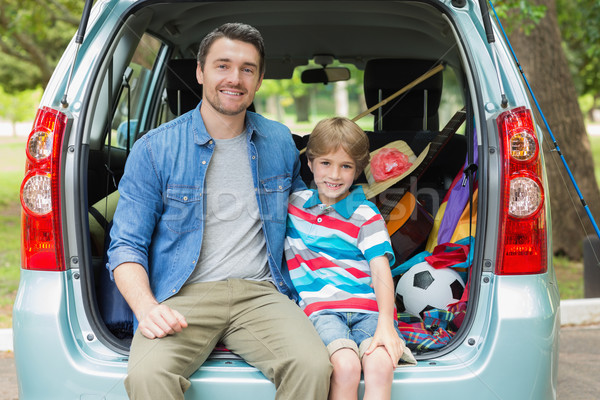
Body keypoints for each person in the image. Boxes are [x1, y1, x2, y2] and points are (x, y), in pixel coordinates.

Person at [107, 23, 332, 400]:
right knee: (147, 376)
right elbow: (125, 246)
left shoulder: (279, 140)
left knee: (313, 367)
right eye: (222, 65)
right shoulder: (153, 150)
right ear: (200, 71)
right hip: (182, 295)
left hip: (262, 293)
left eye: (247, 69)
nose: (235, 79)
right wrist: (146, 308)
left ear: (259, 80)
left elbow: (306, 217)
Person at [284, 117, 416, 400]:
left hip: (368, 308)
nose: (334, 175)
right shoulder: (293, 206)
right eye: (326, 164)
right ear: (310, 164)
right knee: (345, 367)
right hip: (322, 309)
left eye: (346, 166)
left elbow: (380, 268)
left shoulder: (365, 214)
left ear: (357, 171)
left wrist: (385, 322)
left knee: (381, 366)